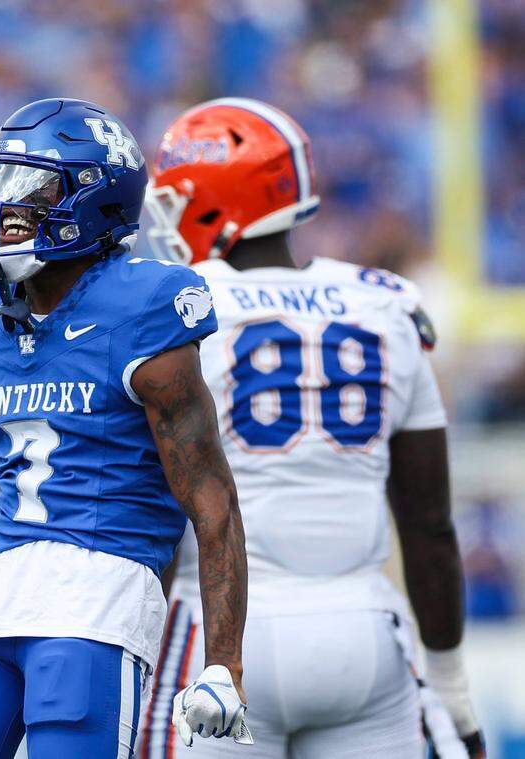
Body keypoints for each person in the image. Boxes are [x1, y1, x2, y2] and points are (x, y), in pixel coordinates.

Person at [0, 98, 250, 758]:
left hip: (99, 598)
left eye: (27, 187)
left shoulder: (143, 307)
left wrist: (223, 664)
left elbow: (212, 504)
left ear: (95, 199)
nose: (2, 207)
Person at [138, 98, 484, 759]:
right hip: (362, 635)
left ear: (216, 201)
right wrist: (452, 685)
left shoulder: (172, 304)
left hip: (218, 638)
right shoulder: (387, 302)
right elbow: (429, 523)